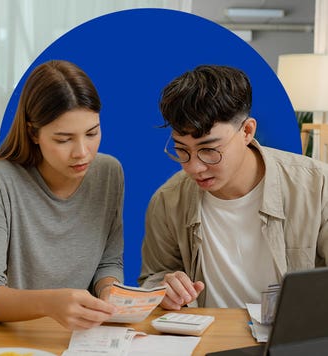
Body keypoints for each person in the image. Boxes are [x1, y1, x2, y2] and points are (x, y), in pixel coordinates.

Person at [139, 64, 328, 311]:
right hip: (209, 341)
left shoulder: (317, 185)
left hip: (293, 340)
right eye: (182, 150)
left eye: (209, 150)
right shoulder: (168, 200)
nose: (194, 167)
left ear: (247, 131)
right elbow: (154, 277)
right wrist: (164, 290)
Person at [0, 60, 124, 330]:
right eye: (64, 139)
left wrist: (110, 294)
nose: (82, 152)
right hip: (15, 338)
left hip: (81, 337)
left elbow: (108, 263)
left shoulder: (109, 172)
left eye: (92, 133)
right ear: (33, 133)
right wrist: (49, 304)